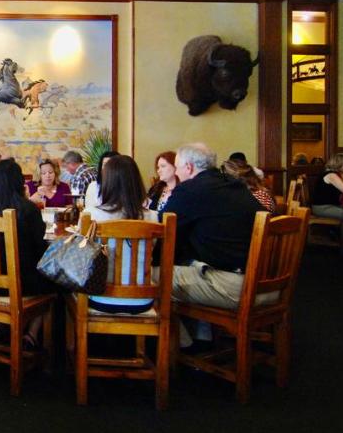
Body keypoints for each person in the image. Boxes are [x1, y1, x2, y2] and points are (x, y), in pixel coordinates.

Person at [163, 143, 267, 348]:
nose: (176, 172)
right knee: (190, 264)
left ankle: (183, 346)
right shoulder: (235, 184)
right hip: (265, 281)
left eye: (177, 167)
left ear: (189, 168)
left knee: (152, 277)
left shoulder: (189, 190)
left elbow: (163, 229)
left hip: (235, 285)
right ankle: (202, 336)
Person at [0, 159, 53, 348]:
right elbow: (41, 251)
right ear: (19, 182)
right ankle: (32, 334)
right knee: (52, 282)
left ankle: (0, 326)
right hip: (18, 285)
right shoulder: (27, 209)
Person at [83, 155, 159, 314]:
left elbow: (82, 254)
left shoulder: (91, 215)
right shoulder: (153, 217)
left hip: (100, 297)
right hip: (142, 300)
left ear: (108, 182)